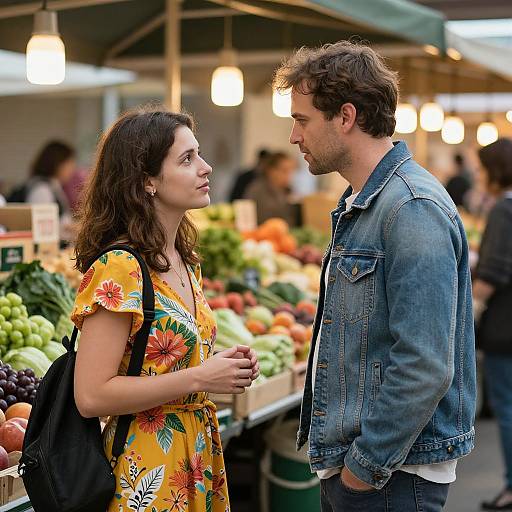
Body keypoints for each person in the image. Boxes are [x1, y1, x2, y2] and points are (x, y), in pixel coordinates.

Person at [274, 41, 476, 511]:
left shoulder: (409, 208)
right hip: (376, 471)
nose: (293, 136)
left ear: (345, 116)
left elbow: (425, 365)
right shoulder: (366, 202)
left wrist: (361, 473)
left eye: (302, 119)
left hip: (390, 479)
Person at [71, 106, 259, 512]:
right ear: (147, 181)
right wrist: (198, 377)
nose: (206, 168)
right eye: (187, 159)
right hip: (147, 469)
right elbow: (91, 394)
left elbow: (161, 365)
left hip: (195, 457)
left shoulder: (183, 259)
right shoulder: (120, 267)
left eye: (199, 154)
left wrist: (220, 367)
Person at [473, 139, 512, 511]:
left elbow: (493, 272)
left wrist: (466, 307)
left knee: (508, 408)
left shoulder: (504, 208)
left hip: (505, 327)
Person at [8, 141, 77, 241]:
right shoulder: (42, 190)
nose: (72, 168)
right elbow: (40, 227)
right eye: (70, 163)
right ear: (58, 163)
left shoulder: (53, 186)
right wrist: (70, 228)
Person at [243, 151, 298, 226]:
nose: (289, 176)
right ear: (271, 171)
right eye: (284, 171)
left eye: (291, 171)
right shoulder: (256, 190)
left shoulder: (288, 190)